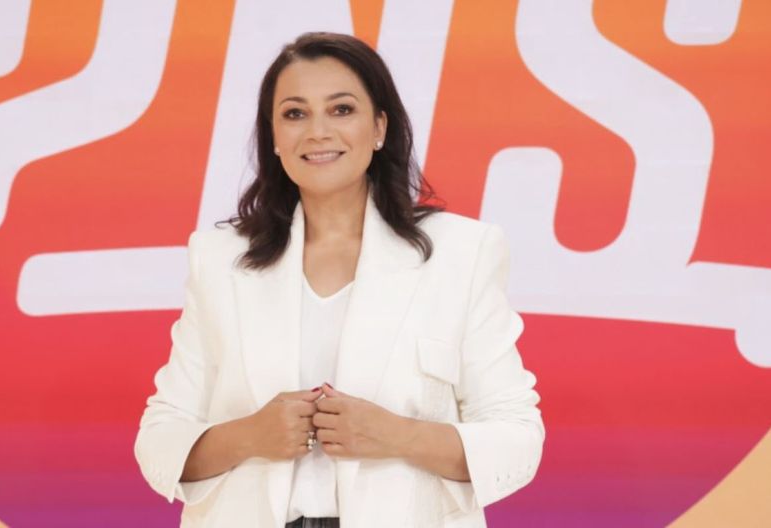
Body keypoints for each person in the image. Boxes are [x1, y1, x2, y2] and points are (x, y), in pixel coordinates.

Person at [135, 32, 543, 528]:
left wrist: (397, 435)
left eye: (341, 109)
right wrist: (250, 435)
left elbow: (518, 437)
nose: (318, 132)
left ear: (379, 127)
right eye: (295, 113)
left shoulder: (461, 252)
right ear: (274, 137)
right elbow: (159, 439)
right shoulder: (220, 258)